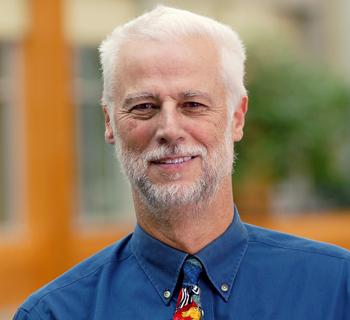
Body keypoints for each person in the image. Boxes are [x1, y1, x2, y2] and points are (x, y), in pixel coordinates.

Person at [14, 5, 349, 320]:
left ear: (237, 117)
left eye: (193, 104)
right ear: (109, 122)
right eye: (144, 106)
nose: (169, 130)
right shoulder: (55, 313)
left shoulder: (336, 290)